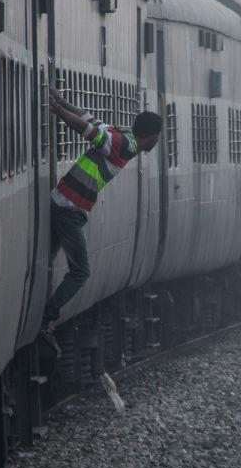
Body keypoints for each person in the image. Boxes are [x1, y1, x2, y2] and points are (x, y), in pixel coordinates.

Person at [41, 86, 161, 337]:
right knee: (81, 271)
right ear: (152, 137)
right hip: (69, 208)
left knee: (47, 260)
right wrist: (58, 110)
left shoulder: (122, 134)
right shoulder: (124, 146)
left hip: (63, 202)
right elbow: (88, 130)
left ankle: (41, 313)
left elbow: (87, 117)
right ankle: (46, 317)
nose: (157, 142)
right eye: (157, 137)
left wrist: (62, 102)